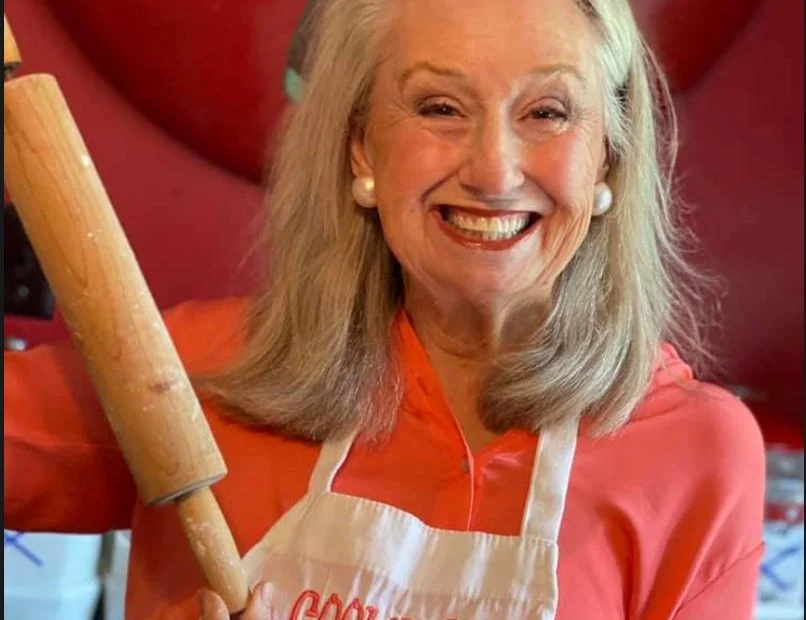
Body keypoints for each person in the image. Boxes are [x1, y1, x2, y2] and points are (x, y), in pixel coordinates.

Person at [4, 0, 767, 617]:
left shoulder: (696, 457)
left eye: (548, 112)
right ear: (363, 150)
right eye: (439, 106)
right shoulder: (193, 380)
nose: (495, 171)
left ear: (609, 156)